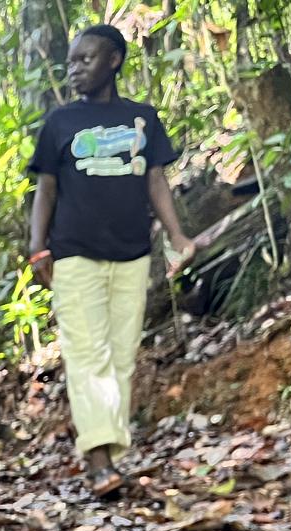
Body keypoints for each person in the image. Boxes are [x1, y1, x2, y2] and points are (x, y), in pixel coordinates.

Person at [28, 23, 195, 497]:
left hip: (132, 254)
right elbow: (46, 188)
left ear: (115, 60)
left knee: (121, 356)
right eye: (72, 61)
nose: (75, 68)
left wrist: (178, 236)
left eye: (86, 59)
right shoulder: (60, 122)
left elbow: (156, 181)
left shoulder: (143, 117)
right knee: (87, 354)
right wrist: (38, 247)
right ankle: (99, 459)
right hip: (75, 254)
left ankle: (110, 456)